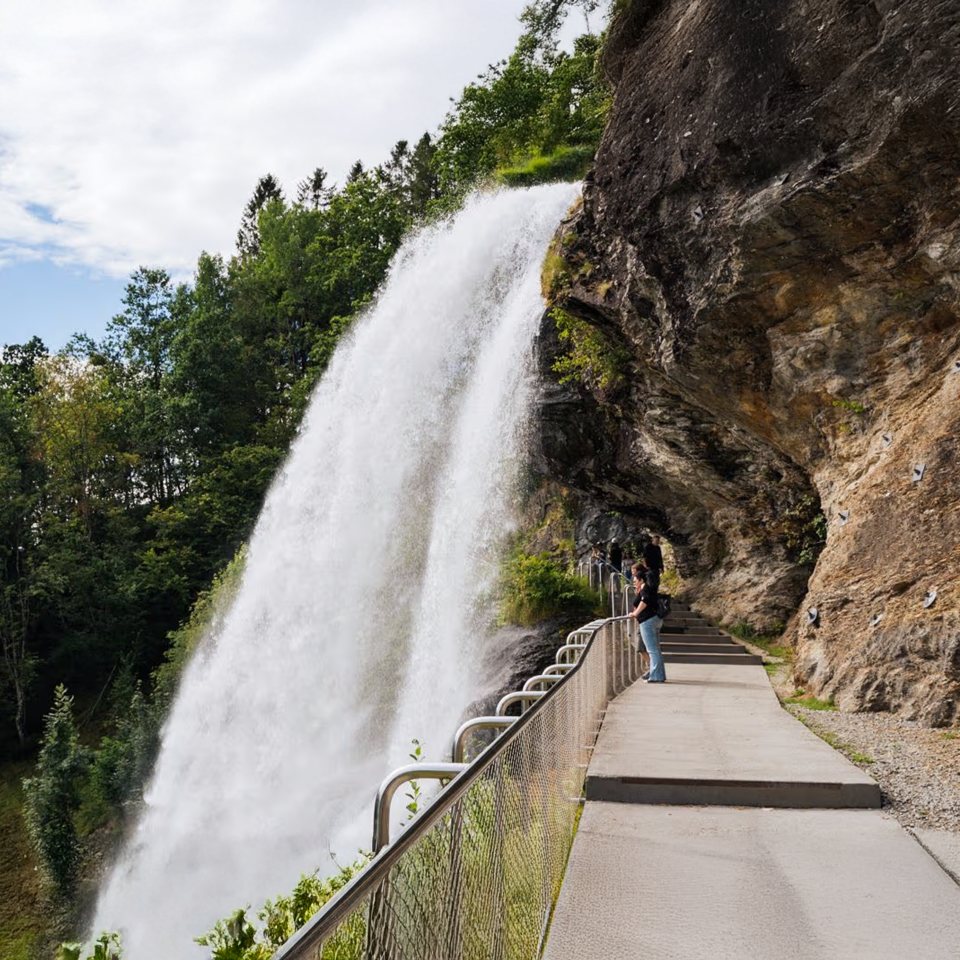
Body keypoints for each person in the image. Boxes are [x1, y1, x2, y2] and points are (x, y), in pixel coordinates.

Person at [631, 570, 666, 683]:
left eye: (635, 581)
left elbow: (644, 601)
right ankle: (659, 675)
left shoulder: (645, 588)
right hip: (654, 620)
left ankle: (656, 676)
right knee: (655, 650)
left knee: (652, 650)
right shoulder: (648, 588)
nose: (634, 583)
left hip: (647, 621)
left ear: (641, 580)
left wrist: (635, 613)